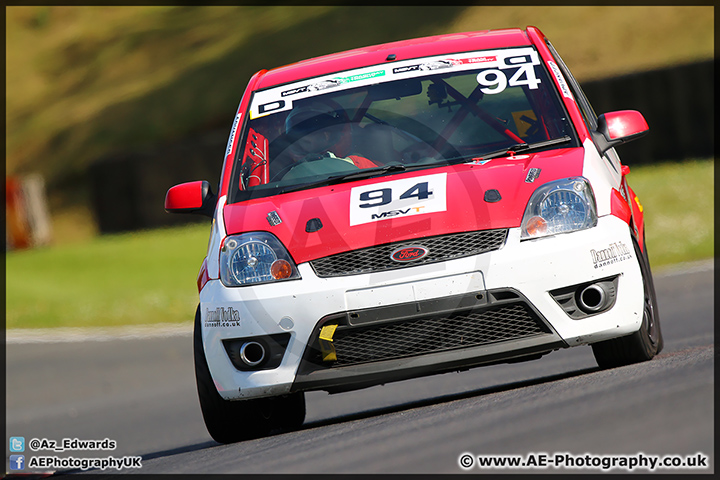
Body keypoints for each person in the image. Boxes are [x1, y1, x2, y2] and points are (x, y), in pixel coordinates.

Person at [283, 98, 377, 169]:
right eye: (299, 130)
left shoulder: (360, 166)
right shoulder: (286, 179)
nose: (304, 137)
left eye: (312, 130)